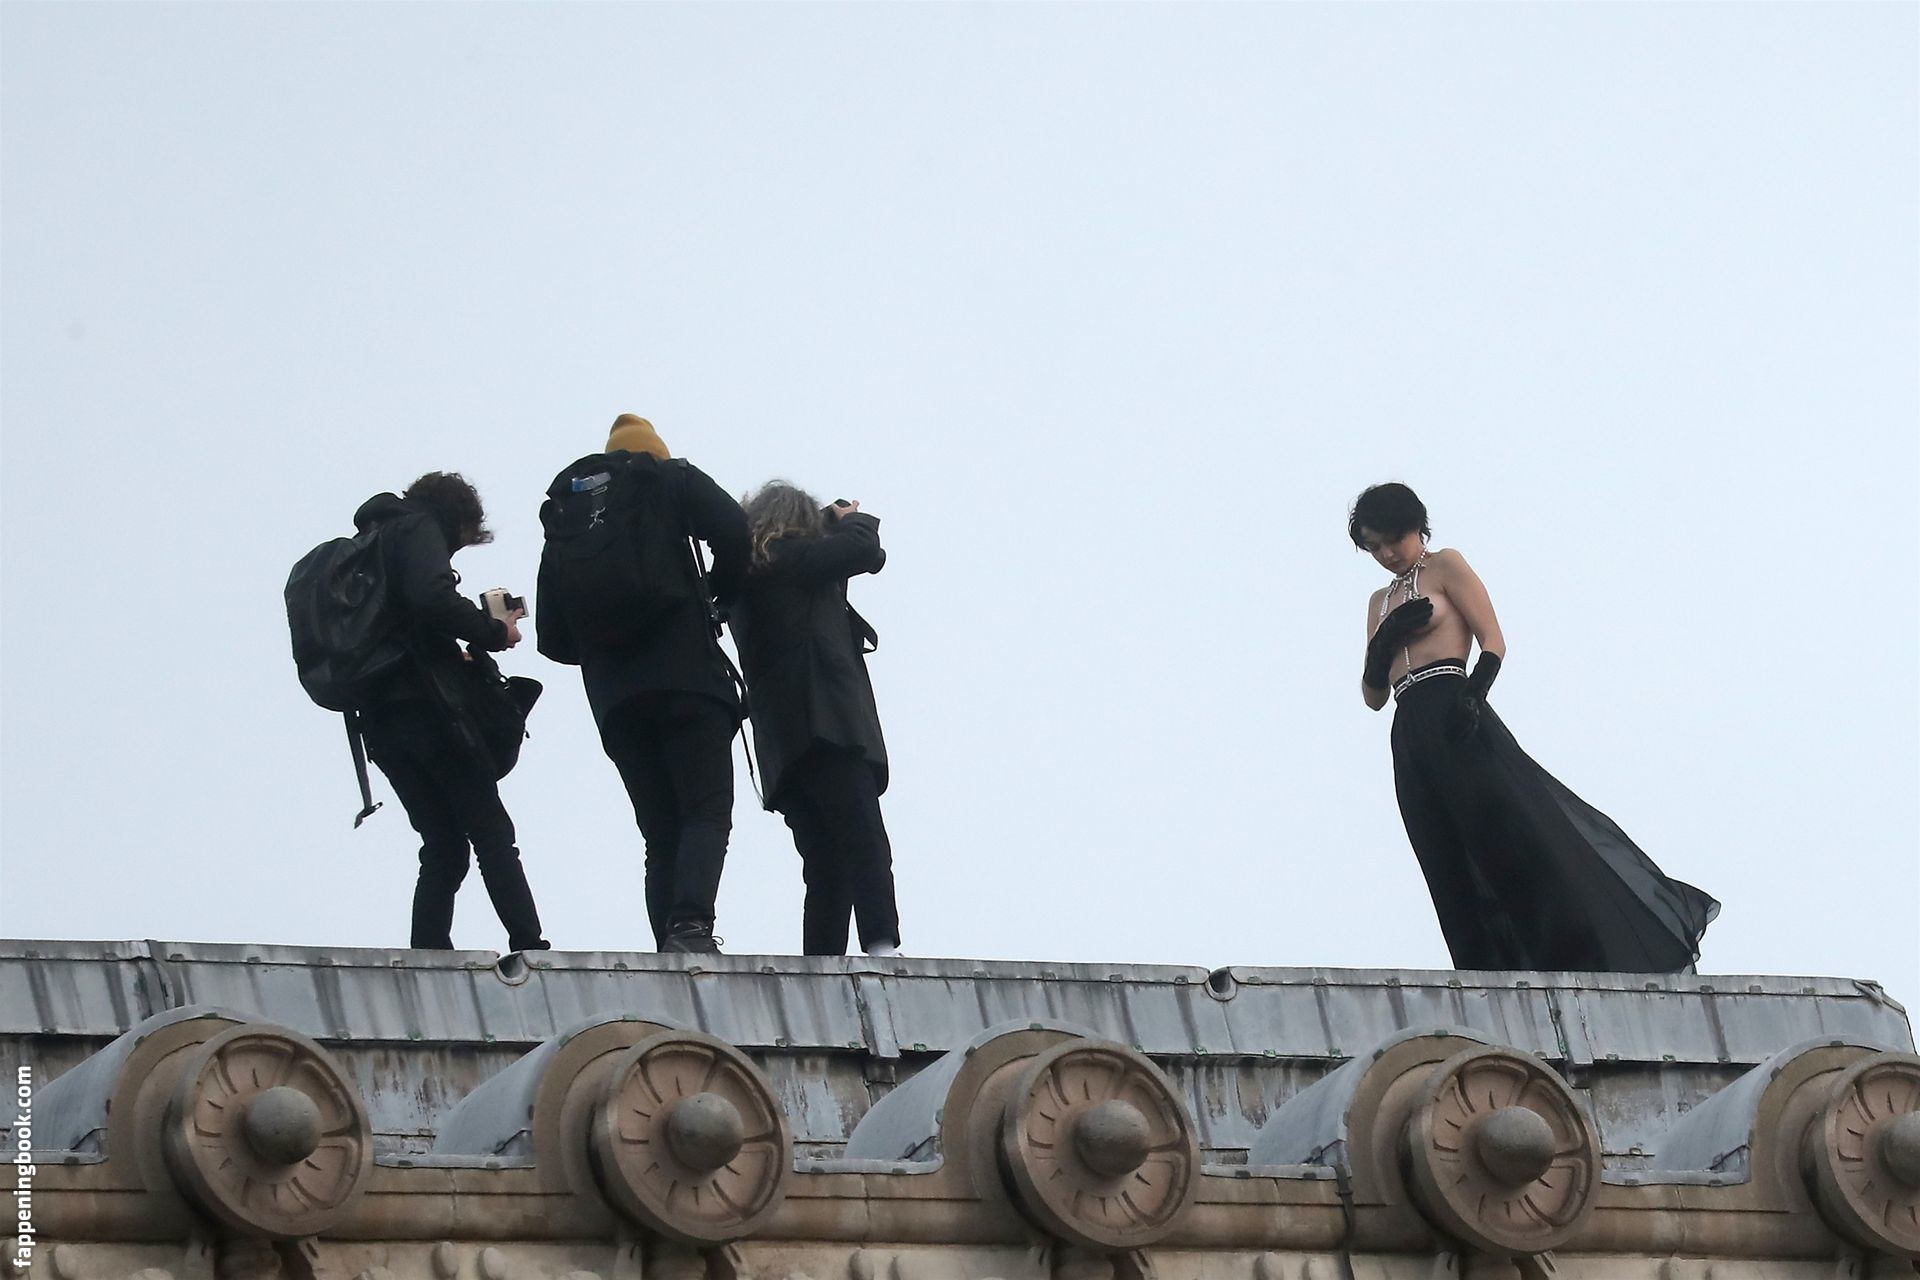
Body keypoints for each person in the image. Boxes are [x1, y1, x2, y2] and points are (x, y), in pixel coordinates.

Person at [1350, 481, 1717, 972]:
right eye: (1374, 546)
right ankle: (1482, 970)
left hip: (1456, 710)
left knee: (1508, 834)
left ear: (1415, 525)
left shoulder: (1445, 565)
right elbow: (1373, 698)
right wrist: (1383, 644)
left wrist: (1473, 697)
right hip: (1408, 729)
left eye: (1392, 539)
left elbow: (1494, 640)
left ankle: (1574, 951)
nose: (1386, 554)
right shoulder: (1379, 601)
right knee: (1441, 853)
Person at [535, 415, 750, 954]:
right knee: (704, 811)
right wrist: (714, 596)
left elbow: (552, 636)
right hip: (689, 679)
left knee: (660, 832)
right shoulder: (671, 478)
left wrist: (605, 645)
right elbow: (734, 530)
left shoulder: (567, 516)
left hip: (617, 702)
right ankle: (691, 929)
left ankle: (666, 949)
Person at [353, 472, 549, 954]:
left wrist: (447, 652)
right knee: (492, 833)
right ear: (456, 518)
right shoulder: (417, 528)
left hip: (378, 721)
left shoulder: (367, 546)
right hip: (430, 713)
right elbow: (431, 598)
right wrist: (494, 632)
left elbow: (402, 622)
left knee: (442, 844)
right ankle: (529, 946)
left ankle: (429, 954)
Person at [730, 482, 901, 958]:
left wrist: (824, 522)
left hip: (782, 745)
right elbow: (862, 550)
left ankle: (822, 965)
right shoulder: (792, 559)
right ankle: (881, 945)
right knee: (863, 837)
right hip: (825, 724)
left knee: (826, 862)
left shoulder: (751, 574)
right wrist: (851, 521)